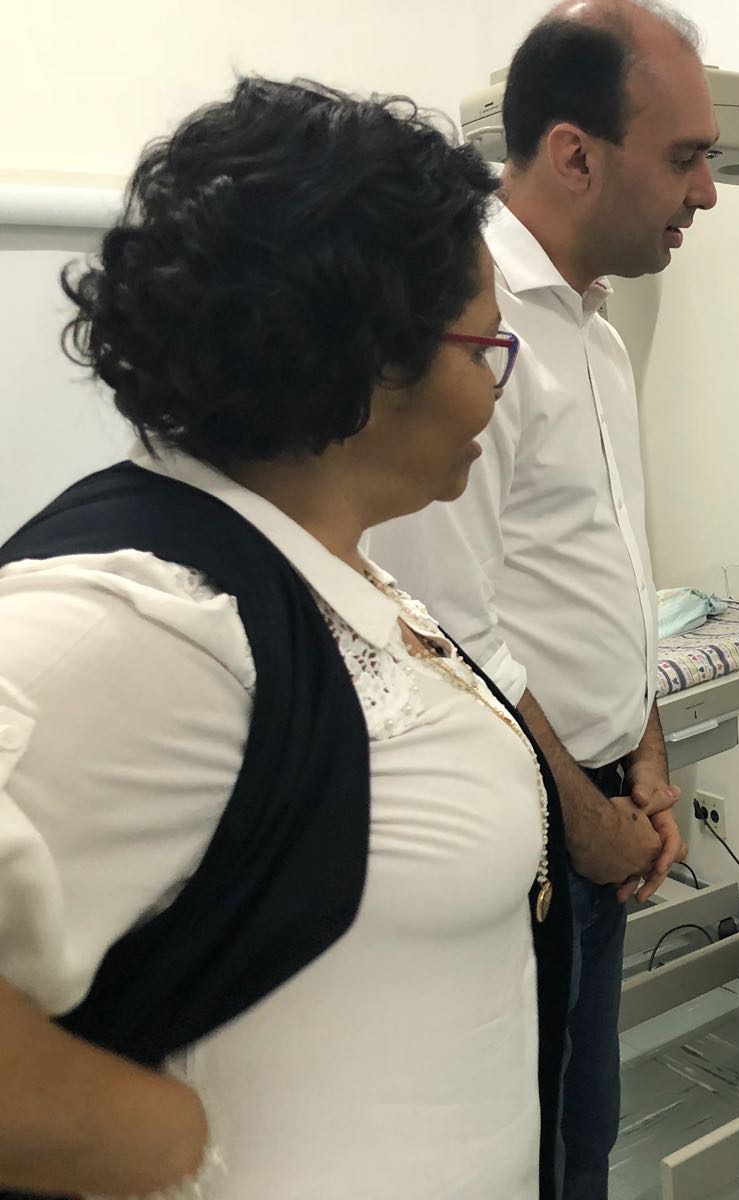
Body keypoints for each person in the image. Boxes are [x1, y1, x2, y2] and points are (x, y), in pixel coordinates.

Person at [0, 78, 571, 1198]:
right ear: (366, 360)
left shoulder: (321, 563)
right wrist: (163, 1140)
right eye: (482, 348)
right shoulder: (146, 620)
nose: (497, 392)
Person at [366, 2, 717, 1194]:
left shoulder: (595, 328)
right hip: (522, 817)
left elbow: (606, 565)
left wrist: (647, 756)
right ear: (575, 154)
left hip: (600, 792)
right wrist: (580, 813)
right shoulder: (473, 329)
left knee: (581, 1126)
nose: (706, 192)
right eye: (684, 156)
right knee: (528, 1148)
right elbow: (443, 624)